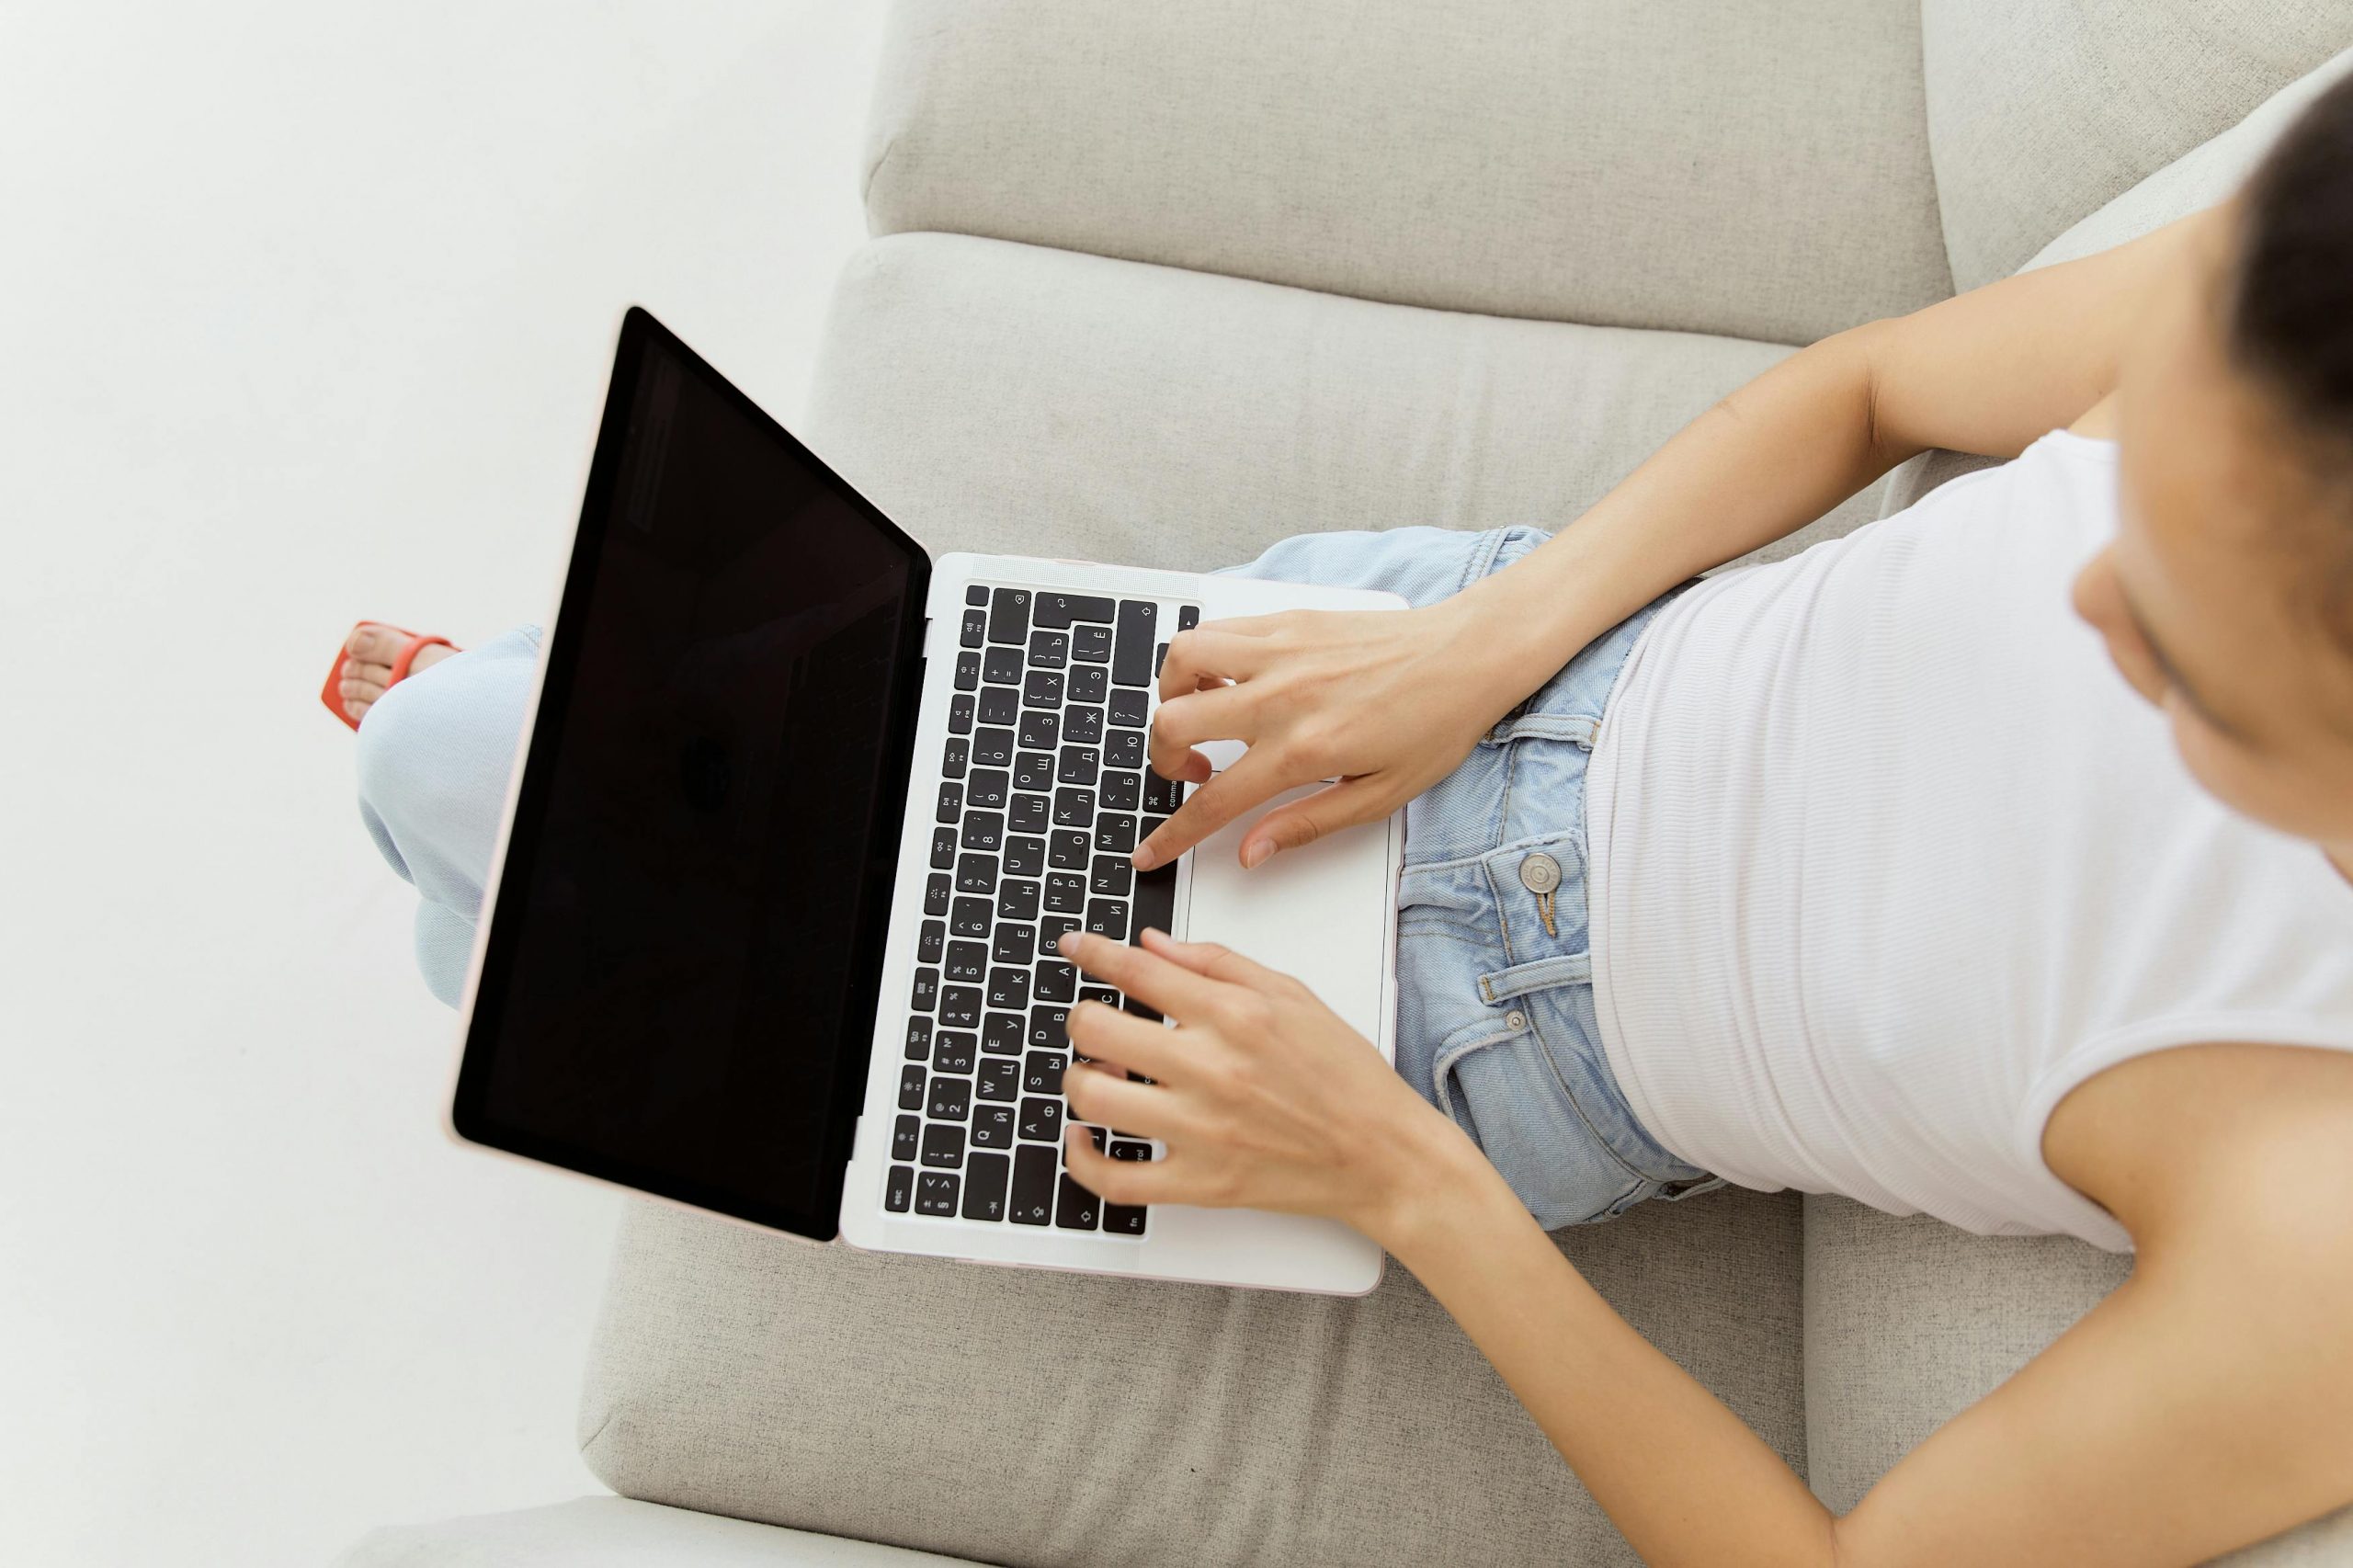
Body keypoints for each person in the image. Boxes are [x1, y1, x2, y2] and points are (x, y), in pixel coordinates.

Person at [346, 79, 2353, 1564]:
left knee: (474, 779)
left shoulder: (2321, 1226)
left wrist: (1401, 1182)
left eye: (2165, 642)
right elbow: (1871, 390)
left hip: (1432, 1034)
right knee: (578, 783)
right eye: (2124, 490)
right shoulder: (2311, 307)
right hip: (1431, 645)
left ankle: (504, 790)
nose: (2085, 591)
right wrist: (1478, 642)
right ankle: (525, 800)